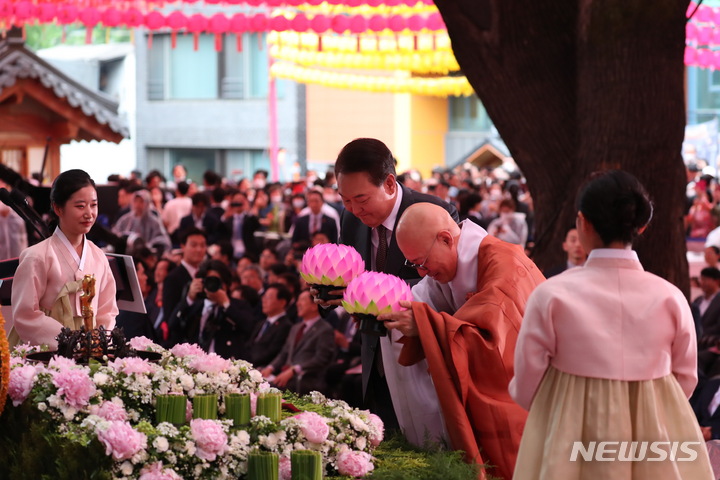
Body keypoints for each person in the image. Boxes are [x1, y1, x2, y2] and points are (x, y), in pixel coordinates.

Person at [509, 170, 712, 479]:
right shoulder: (670, 297)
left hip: (569, 433)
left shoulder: (552, 294)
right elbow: (685, 378)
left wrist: (562, 409)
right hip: (652, 434)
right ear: (641, 226)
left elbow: (526, 385)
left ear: (582, 222)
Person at [378, 202, 543, 480]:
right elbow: (418, 302)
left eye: (422, 262)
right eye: (413, 264)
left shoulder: (504, 268)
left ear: (445, 238)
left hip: (521, 398)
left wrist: (427, 325)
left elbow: (495, 351)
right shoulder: (450, 261)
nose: (421, 272)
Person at [328, 137, 459, 434]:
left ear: (389, 184)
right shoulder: (350, 219)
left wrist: (374, 291)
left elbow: (446, 285)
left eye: (361, 199)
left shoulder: (435, 213)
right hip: (373, 354)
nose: (354, 209)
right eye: (345, 200)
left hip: (420, 356)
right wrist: (336, 291)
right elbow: (351, 276)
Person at [8, 169, 118, 347]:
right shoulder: (36, 257)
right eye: (80, 206)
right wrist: (70, 342)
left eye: (93, 205)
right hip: (45, 349)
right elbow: (25, 315)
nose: (89, 213)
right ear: (58, 208)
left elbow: (107, 310)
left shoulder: (99, 256)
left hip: (90, 351)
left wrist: (97, 342)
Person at [260, 290, 336, 395]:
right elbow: (284, 353)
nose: (297, 303)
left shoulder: (325, 329)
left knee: (268, 390)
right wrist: (270, 367)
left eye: (302, 300)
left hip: (307, 379)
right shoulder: (295, 328)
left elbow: (321, 359)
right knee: (259, 382)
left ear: (314, 306)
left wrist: (294, 370)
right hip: (287, 376)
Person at [113, 189, 172, 254]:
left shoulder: (153, 221)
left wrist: (148, 246)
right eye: (136, 201)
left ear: (147, 203)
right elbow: (115, 232)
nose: (138, 204)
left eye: (141, 202)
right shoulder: (126, 219)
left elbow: (162, 239)